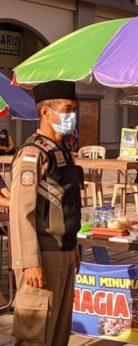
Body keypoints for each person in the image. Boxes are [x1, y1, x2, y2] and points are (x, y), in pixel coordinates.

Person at [10, 80, 83, 345]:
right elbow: (21, 211)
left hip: (63, 251)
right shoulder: (33, 153)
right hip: (42, 255)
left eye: (73, 109)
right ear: (45, 112)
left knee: (58, 332)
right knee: (35, 333)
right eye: (66, 109)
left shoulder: (62, 150)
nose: (71, 116)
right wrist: (29, 260)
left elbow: (66, 204)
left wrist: (73, 247)